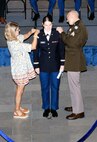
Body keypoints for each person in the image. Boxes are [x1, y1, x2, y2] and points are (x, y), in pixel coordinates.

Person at [57, 10, 88, 120]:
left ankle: (79, 111)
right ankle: (76, 106)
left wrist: (61, 33)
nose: (66, 20)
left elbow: (71, 42)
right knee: (73, 86)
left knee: (75, 86)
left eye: (67, 18)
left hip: (75, 60)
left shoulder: (79, 27)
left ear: (73, 16)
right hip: (72, 59)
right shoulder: (76, 26)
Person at [4, 22, 39, 119]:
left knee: (21, 88)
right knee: (20, 90)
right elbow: (33, 47)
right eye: (17, 30)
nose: (19, 30)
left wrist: (31, 32)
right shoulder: (15, 44)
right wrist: (35, 36)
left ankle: (18, 107)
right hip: (20, 70)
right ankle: (17, 111)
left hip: (21, 67)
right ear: (12, 32)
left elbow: (23, 36)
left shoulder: (13, 38)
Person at [33, 15, 65, 118]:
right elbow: (35, 51)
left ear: (52, 24)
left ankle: (54, 108)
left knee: (55, 87)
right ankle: (46, 108)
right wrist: (36, 65)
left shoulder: (57, 33)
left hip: (55, 66)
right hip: (43, 66)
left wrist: (62, 64)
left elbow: (61, 50)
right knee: (44, 88)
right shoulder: (39, 34)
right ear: (42, 24)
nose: (48, 27)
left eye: (50, 24)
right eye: (46, 25)